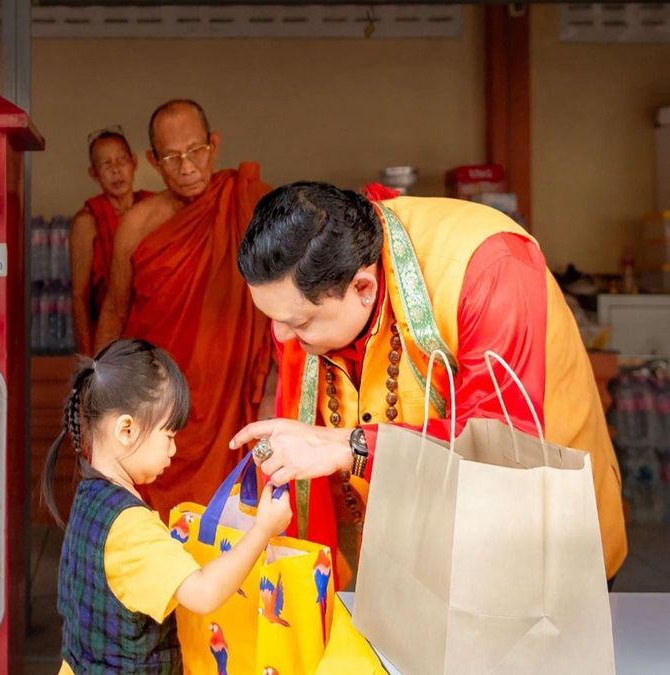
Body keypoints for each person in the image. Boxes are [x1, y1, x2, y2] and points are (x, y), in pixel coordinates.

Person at [232, 181, 627, 587]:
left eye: (298, 323)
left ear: (364, 287)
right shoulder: (315, 282)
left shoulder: (488, 266)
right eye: (272, 319)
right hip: (404, 550)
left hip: (535, 535)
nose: (280, 337)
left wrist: (352, 447)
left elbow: (503, 444)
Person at [42, 338, 291, 673]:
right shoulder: (132, 528)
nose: (173, 450)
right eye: (169, 435)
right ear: (127, 430)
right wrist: (262, 530)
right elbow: (204, 593)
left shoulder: (88, 495)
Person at [94, 99, 272, 521]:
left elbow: (286, 304)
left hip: (232, 396)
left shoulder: (248, 206)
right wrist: (96, 399)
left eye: (196, 151)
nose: (187, 166)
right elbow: (115, 311)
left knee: (229, 520)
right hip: (160, 401)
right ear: (153, 161)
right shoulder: (138, 225)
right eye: (172, 157)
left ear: (214, 144)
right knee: (157, 521)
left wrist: (273, 387)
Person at [70, 126, 152, 355]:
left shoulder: (152, 210)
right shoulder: (87, 222)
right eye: (106, 164)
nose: (116, 170)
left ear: (134, 162)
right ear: (93, 173)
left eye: (121, 160)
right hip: (111, 340)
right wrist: (88, 360)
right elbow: (79, 297)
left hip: (154, 335)